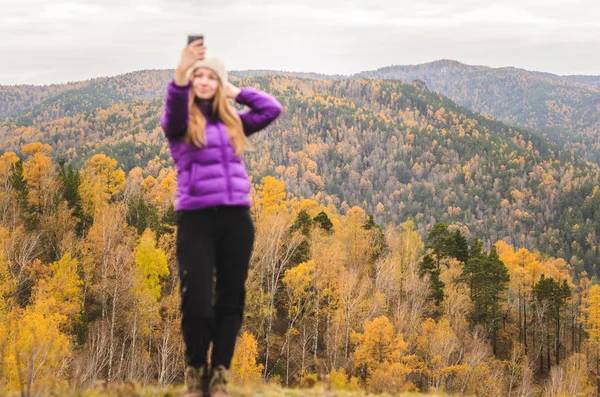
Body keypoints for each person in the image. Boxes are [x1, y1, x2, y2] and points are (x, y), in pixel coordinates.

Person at [160, 39, 282, 397]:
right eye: (198, 76)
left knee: (231, 300)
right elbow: (173, 109)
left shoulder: (234, 124)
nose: (203, 81)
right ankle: (196, 374)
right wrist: (182, 73)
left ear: (218, 84)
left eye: (210, 76)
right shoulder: (180, 125)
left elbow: (272, 109)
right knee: (196, 302)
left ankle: (218, 378)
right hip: (195, 219)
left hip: (236, 220)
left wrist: (236, 90)